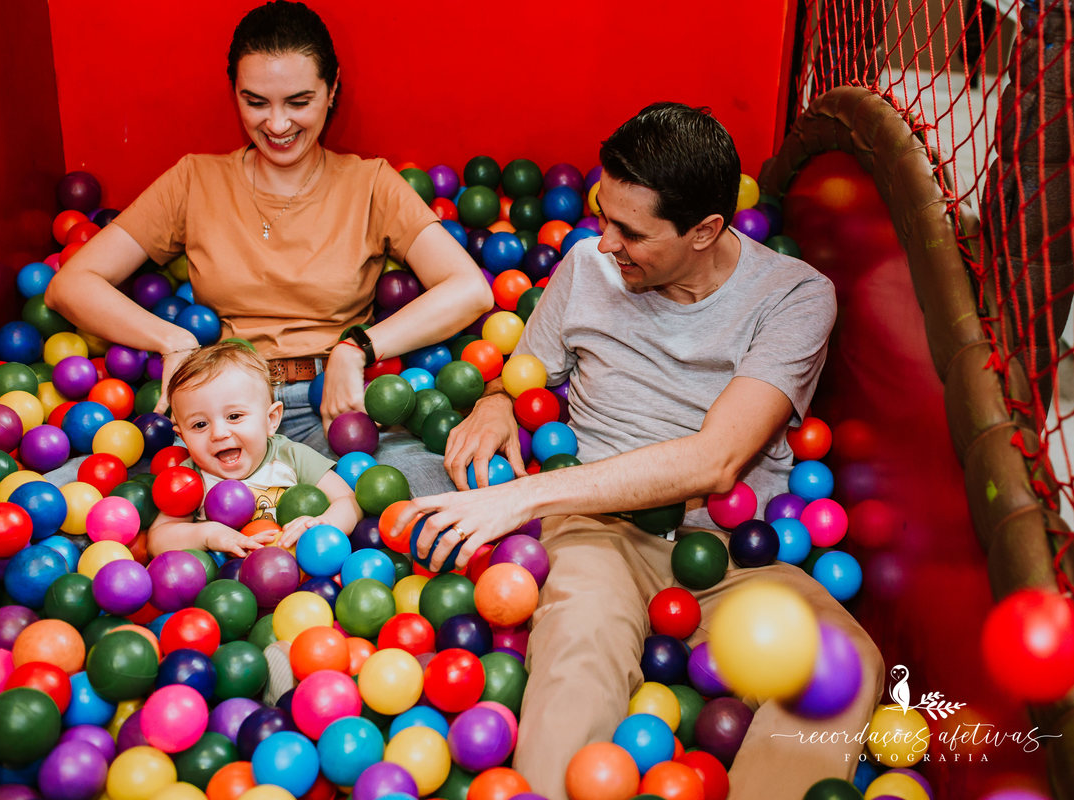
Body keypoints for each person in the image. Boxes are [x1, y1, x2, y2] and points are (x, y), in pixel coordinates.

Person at [396, 103, 884, 799]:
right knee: (578, 652)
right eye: (601, 213)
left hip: (733, 554)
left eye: (630, 231)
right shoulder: (584, 266)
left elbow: (719, 458)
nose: (604, 242)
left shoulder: (794, 296)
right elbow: (524, 375)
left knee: (843, 662)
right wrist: (495, 401)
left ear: (705, 230)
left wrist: (520, 496)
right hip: (600, 531)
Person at [45, 1, 489, 497]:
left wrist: (357, 347)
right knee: (68, 500)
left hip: (334, 415)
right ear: (234, 91)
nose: (277, 125)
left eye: (298, 102)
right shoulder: (196, 180)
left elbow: (470, 289)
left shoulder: (371, 184)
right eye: (256, 102)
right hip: (216, 420)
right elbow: (70, 285)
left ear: (332, 89)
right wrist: (173, 342)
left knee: (450, 496)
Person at [147, 342, 361, 557]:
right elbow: (158, 540)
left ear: (271, 419)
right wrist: (209, 534)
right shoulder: (190, 479)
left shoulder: (291, 456)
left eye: (234, 416)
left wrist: (323, 525)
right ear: (182, 437)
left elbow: (349, 501)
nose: (219, 433)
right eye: (200, 425)